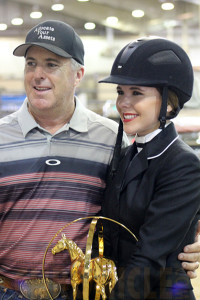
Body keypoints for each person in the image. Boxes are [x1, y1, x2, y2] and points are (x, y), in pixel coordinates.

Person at [0, 20, 198, 300]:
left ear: (78, 74)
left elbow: (151, 252)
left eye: (51, 65)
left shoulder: (110, 140)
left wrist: (185, 240)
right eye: (31, 64)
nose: (124, 103)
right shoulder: (127, 150)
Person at [99, 37, 200, 299]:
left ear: (168, 103)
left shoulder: (183, 164)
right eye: (121, 92)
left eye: (137, 93)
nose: (123, 103)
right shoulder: (124, 155)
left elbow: (150, 256)